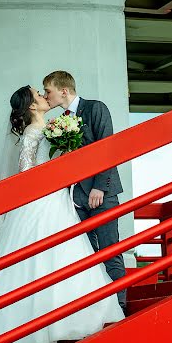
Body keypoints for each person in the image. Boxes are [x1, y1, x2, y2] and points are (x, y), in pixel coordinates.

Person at [0, 86, 124, 343]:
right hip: (44, 203)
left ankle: (59, 322)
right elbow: (27, 174)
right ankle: (46, 326)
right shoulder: (35, 132)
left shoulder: (48, 128)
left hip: (59, 200)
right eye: (39, 95)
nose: (44, 97)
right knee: (46, 258)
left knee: (61, 258)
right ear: (32, 107)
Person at [43, 71, 127, 313]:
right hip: (76, 198)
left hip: (103, 193)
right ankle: (96, 308)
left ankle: (119, 305)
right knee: (86, 255)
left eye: (48, 91)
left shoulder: (95, 109)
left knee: (110, 250)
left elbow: (107, 148)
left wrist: (100, 186)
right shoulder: (59, 122)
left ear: (64, 91)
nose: (46, 96)